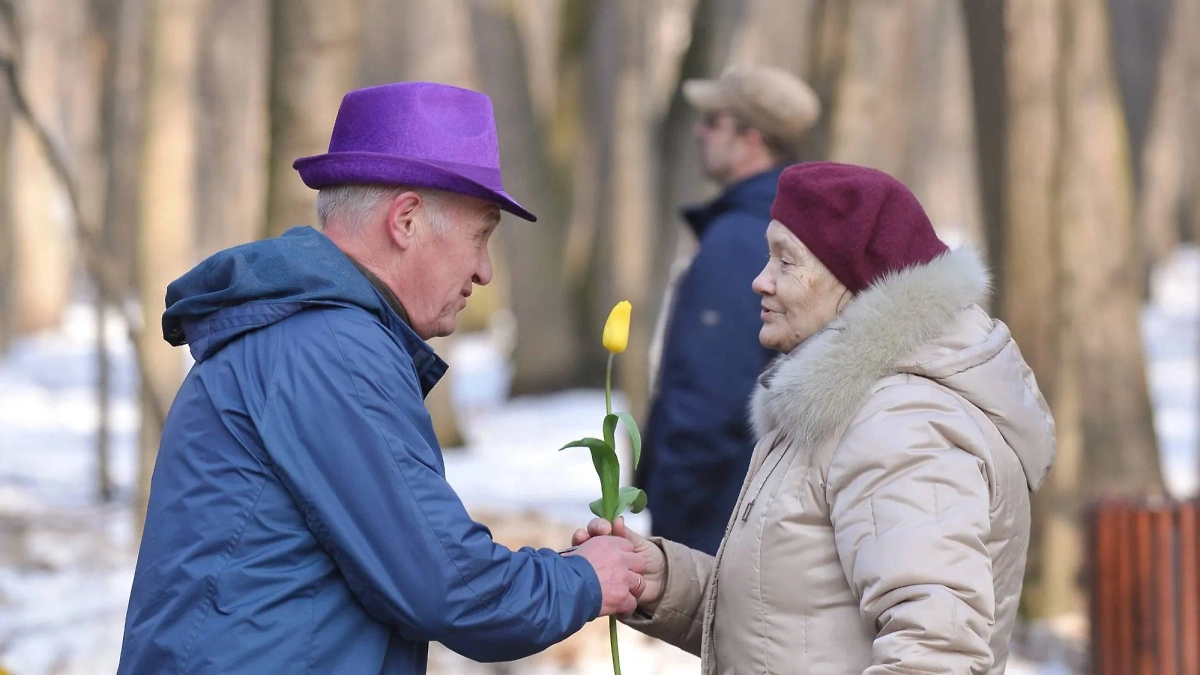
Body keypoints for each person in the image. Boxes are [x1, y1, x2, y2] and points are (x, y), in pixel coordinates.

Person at [117, 82, 646, 675]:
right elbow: (447, 584)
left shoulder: (306, 333)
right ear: (408, 220)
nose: (485, 270)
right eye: (481, 235)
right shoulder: (329, 347)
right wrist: (587, 578)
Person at [575, 162, 1057, 674]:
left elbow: (937, 650)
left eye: (787, 261)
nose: (760, 280)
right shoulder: (847, 410)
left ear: (855, 279)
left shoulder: (902, 424)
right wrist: (668, 583)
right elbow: (796, 628)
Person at [639, 66, 821, 555]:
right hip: (756, 515)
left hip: (719, 519)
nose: (700, 131)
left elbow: (709, 398)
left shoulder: (742, 240)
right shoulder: (789, 229)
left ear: (751, 140)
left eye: (714, 121)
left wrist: (672, 522)